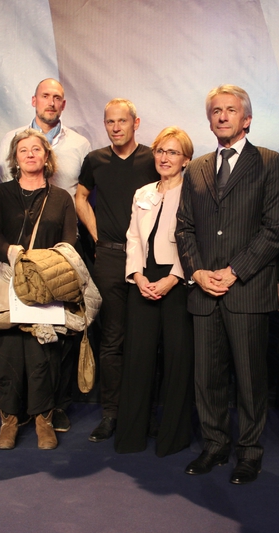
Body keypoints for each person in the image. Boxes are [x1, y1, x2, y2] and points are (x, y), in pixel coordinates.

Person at [176, 84, 279, 485]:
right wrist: (199, 272)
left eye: (230, 110)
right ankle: (215, 445)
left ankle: (250, 451)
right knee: (207, 377)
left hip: (247, 290)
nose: (222, 116)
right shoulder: (198, 167)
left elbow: (274, 230)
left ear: (247, 119)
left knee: (251, 378)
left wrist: (236, 270)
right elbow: (184, 226)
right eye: (216, 111)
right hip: (203, 291)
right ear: (209, 120)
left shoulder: (270, 163)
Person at [0, 78, 91, 432]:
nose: (51, 102)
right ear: (34, 100)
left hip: (56, 256)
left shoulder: (80, 144)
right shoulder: (12, 138)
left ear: (63, 104)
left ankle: (54, 407)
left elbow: (79, 195)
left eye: (58, 98)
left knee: (56, 339)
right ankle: (14, 411)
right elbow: (2, 205)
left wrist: (57, 258)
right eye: (45, 96)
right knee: (15, 340)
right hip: (15, 260)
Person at [0, 129, 77, 451]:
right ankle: (9, 420)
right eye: (23, 149)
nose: (29, 154)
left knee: (43, 356)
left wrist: (45, 266)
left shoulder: (62, 199)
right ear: (15, 158)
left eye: (36, 149)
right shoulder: (1, 194)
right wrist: (11, 253)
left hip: (46, 284)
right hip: (9, 280)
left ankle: (43, 420)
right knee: (7, 353)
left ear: (46, 156)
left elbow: (69, 241)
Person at [76, 98, 158, 443]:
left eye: (122, 121)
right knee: (111, 339)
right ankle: (111, 413)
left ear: (135, 123)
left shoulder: (154, 158)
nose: (115, 127)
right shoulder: (95, 160)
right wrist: (98, 234)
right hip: (109, 258)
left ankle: (144, 412)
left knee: (145, 338)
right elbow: (80, 197)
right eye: (110, 122)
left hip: (148, 260)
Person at [114, 127, 195, 457]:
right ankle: (131, 436)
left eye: (173, 152)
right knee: (137, 359)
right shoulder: (143, 192)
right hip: (143, 281)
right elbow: (133, 237)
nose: (164, 157)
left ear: (186, 159)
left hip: (178, 283)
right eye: (160, 151)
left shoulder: (195, 193)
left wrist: (174, 277)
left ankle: (172, 438)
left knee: (178, 362)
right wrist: (136, 274)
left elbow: (196, 241)